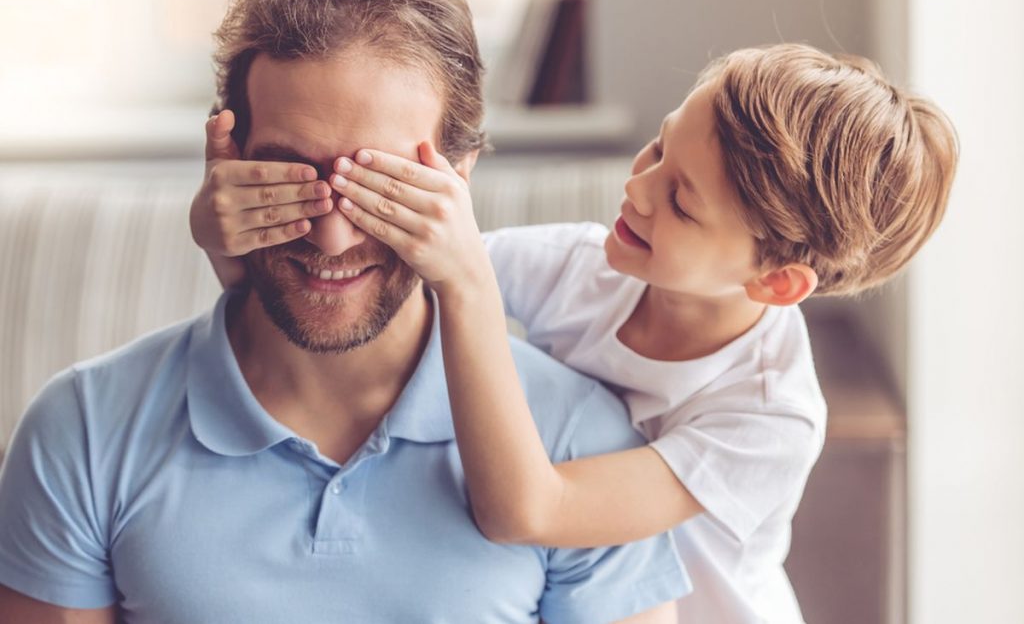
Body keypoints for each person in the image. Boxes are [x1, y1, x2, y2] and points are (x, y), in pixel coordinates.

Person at [0, 0, 689, 622]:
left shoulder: (582, 445)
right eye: (290, 176)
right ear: (227, 163)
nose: (332, 238)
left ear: (461, 176)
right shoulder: (84, 430)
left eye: (382, 186)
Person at [196, 42, 958, 622]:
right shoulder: (581, 265)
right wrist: (225, 242)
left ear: (775, 281)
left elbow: (529, 510)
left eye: (683, 202)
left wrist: (464, 281)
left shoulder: (768, 416)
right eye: (659, 147)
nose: (638, 187)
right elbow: (363, 312)